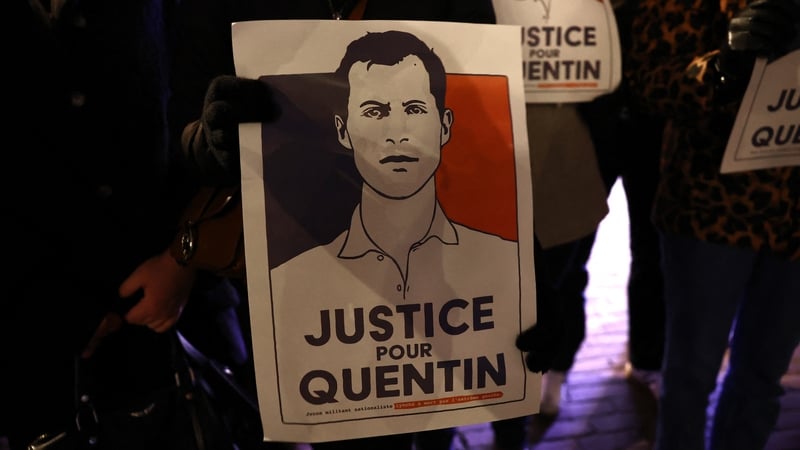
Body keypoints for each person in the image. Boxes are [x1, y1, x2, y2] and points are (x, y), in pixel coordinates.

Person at [168, 1, 562, 449]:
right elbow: (179, 129)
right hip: (306, 295)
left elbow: (487, 145)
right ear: (345, 127)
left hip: (448, 300)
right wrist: (214, 138)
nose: (395, 132)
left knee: (435, 425)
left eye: (414, 109)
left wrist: (527, 280)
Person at [0, 1, 217, 449]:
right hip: (27, 322)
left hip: (162, 302)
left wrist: (183, 255)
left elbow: (204, 106)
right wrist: (50, 306)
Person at [625, 0, 800, 448]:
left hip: (794, 214)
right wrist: (724, 67)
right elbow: (648, 80)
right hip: (710, 208)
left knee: (762, 378)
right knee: (690, 375)